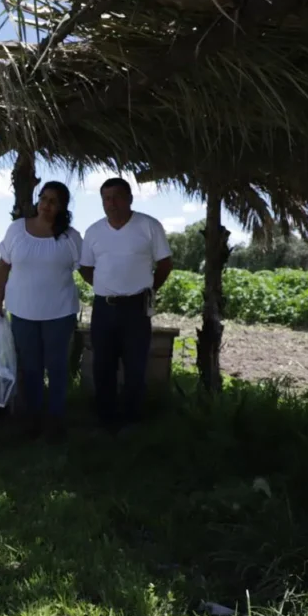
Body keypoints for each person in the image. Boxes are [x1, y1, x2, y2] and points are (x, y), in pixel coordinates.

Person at [79, 177, 174, 433]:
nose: (112, 204)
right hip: (104, 307)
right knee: (103, 365)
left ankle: (132, 420)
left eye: (117, 197)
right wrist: (105, 287)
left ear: (130, 198)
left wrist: (149, 289)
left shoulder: (148, 226)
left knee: (135, 365)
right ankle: (105, 420)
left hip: (136, 308)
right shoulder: (94, 231)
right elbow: (85, 267)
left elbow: (165, 264)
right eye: (106, 199)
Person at [0, 181, 82, 440]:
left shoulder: (71, 237)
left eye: (53, 201)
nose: (46, 205)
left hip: (60, 313)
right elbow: (2, 268)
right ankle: (31, 419)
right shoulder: (17, 230)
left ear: (62, 207)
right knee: (30, 367)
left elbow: (87, 269)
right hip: (22, 312)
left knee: (56, 368)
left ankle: (55, 421)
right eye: (43, 198)